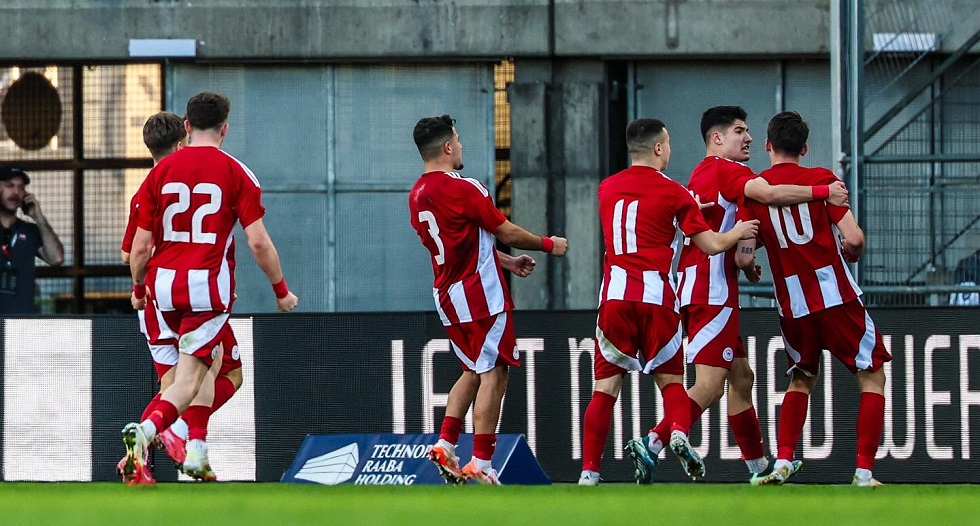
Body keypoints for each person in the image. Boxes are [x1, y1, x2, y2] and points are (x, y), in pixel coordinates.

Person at [625, 106, 850, 484]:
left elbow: (727, 231)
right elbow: (771, 193)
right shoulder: (729, 171)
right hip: (713, 292)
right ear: (717, 138)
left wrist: (745, 264)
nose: (748, 138)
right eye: (739, 131)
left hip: (696, 286)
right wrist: (824, 191)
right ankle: (654, 442)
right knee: (710, 384)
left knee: (742, 378)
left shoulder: (700, 172)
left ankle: (758, 467)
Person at [119, 92, 299, 486]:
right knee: (194, 377)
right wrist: (281, 290)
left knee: (197, 372)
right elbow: (258, 242)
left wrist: (138, 288)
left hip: (161, 291)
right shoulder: (236, 172)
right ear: (225, 128)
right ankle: (149, 433)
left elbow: (138, 248)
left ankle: (195, 450)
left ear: (188, 126)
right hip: (205, 290)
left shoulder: (158, 175)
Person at [578, 118, 759, 486]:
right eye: (669, 143)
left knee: (605, 389)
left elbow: (642, 215)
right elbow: (711, 244)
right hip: (657, 297)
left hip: (614, 296)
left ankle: (589, 472)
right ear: (659, 148)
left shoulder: (606, 188)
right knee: (673, 383)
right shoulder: (675, 192)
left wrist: (688, 208)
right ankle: (674, 433)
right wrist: (737, 232)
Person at [734, 111, 891, 486]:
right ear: (804, 148)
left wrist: (750, 267)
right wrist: (851, 253)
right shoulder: (823, 181)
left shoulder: (754, 190)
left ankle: (783, 460)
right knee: (872, 376)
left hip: (793, 304)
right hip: (836, 297)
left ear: (768, 145)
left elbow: (743, 254)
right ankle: (863, 472)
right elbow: (854, 238)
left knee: (802, 378)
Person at [409, 114, 568, 485]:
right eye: (458, 139)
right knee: (494, 373)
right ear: (447, 147)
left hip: (448, 296)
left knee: (471, 370)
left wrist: (508, 262)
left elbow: (463, 244)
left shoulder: (416, 194)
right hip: (481, 297)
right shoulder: (465, 187)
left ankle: (445, 444)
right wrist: (549, 244)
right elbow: (505, 230)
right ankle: (481, 462)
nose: (461, 145)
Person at [0, 166, 64, 314]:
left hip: (22, 322)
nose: (16, 192)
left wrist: (38, 217)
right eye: (10, 186)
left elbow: (56, 258)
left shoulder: (30, 230)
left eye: (21, 188)